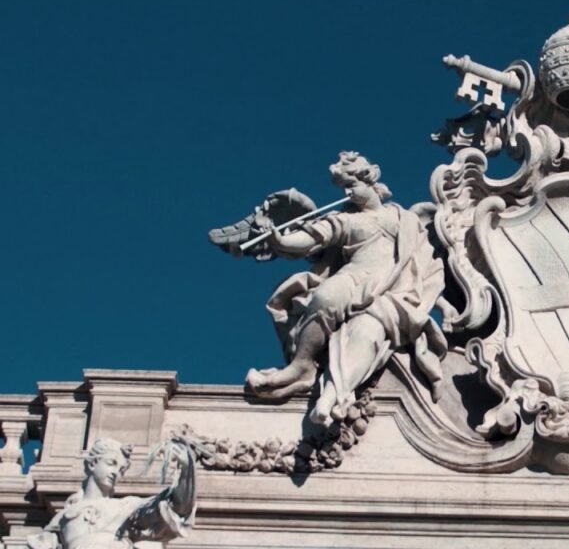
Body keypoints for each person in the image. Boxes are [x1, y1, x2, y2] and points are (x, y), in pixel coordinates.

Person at [244, 152, 447, 426]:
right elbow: (308, 240)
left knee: (367, 331)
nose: (348, 191)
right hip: (354, 277)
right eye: (344, 187)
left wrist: (442, 304)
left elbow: (426, 263)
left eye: (352, 184)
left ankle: (332, 395)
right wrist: (279, 238)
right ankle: (301, 365)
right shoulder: (345, 220)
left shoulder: (404, 219)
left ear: (370, 179)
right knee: (325, 297)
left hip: (392, 290)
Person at [27, 438, 195, 549]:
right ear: (92, 464)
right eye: (111, 463)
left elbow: (176, 506)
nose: (116, 472)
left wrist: (186, 472)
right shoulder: (63, 517)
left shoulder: (125, 506)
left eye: (121, 469)